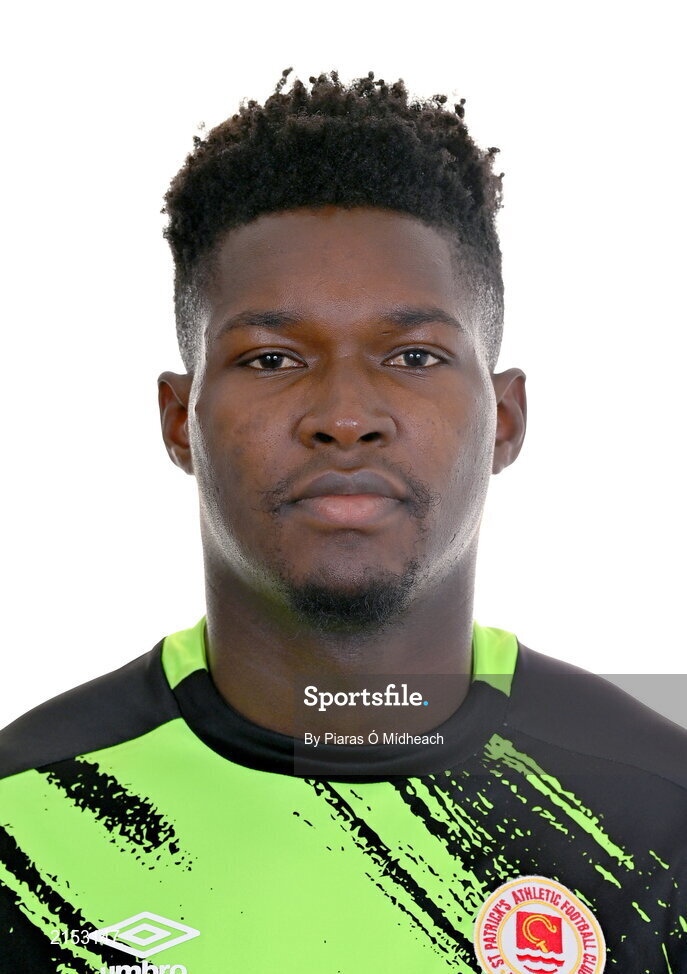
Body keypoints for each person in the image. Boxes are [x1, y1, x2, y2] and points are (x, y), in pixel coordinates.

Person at [0, 70, 685, 974]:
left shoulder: (659, 814)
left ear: (505, 419)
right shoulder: (28, 814)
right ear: (179, 420)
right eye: (273, 356)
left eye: (412, 354)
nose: (345, 413)